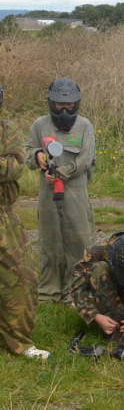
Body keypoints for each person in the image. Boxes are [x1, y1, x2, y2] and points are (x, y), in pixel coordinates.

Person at [25, 77, 96, 304]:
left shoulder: (84, 126)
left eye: (69, 105)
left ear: (77, 103)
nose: (64, 109)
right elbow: (27, 154)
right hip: (48, 196)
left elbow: (85, 161)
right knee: (49, 242)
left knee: (78, 242)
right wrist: (38, 156)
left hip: (76, 194)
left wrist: (60, 173)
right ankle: (48, 293)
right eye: (59, 105)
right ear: (51, 102)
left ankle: (74, 293)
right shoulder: (40, 125)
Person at [0, 82, 51, 360]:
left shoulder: (8, 129)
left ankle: (19, 342)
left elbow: (14, 167)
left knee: (23, 277)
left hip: (3, 215)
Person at [70, 232, 124, 350]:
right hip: (110, 292)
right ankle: (115, 327)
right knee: (99, 268)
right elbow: (77, 289)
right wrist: (95, 316)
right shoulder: (96, 252)